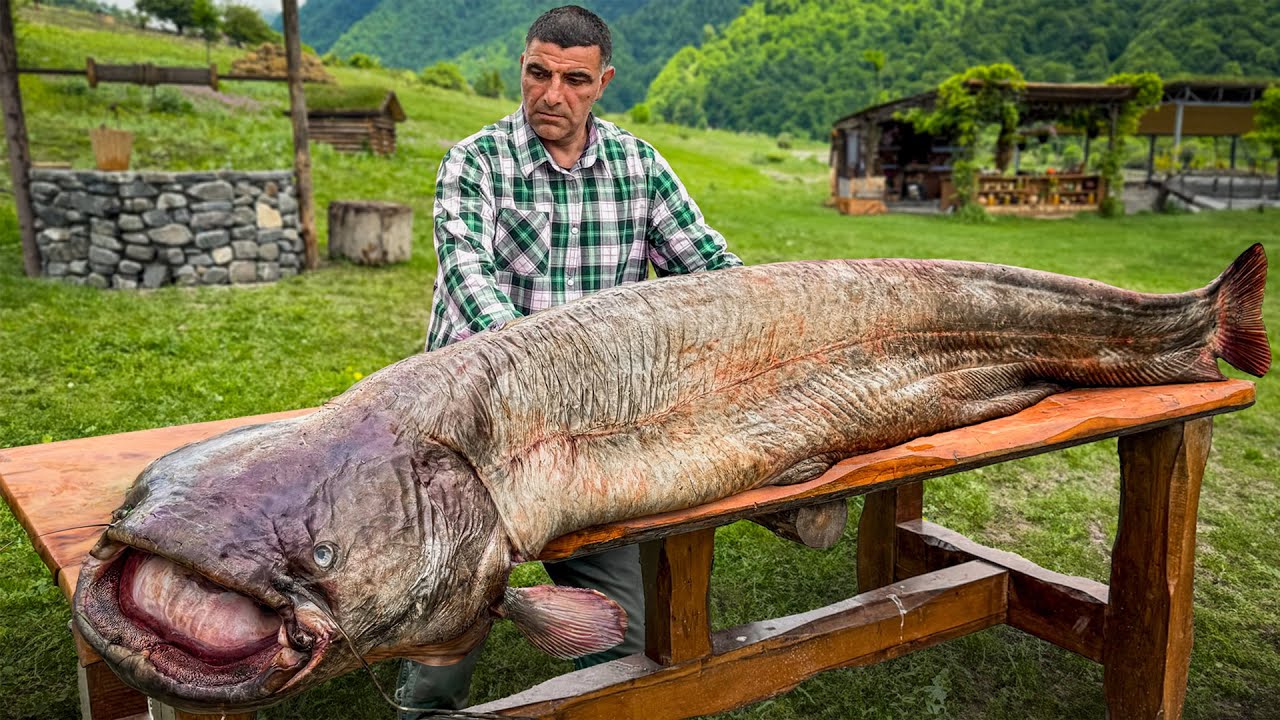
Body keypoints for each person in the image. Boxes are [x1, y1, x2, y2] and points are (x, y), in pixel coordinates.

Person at [398, 5, 740, 716]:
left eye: (574, 80)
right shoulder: (475, 161)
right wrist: (546, 374)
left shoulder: (638, 165)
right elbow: (468, 276)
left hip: (589, 436)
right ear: (522, 68)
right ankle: (428, 704)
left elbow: (712, 269)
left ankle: (605, 690)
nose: (552, 94)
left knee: (625, 643)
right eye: (538, 73)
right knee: (448, 598)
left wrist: (768, 309)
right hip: (473, 425)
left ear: (602, 83)